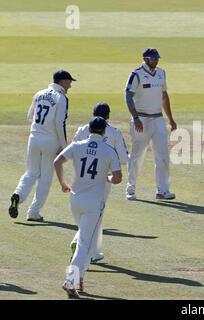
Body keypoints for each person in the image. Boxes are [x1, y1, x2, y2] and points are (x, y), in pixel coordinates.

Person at [54, 116, 122, 298]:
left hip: (75, 201)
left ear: (90, 130)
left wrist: (63, 183)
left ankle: (80, 277)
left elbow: (57, 162)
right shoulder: (109, 151)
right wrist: (105, 178)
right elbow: (118, 178)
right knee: (85, 244)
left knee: (87, 241)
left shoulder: (77, 145)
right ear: (104, 132)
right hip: (94, 203)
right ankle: (70, 280)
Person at [9, 70, 76, 222]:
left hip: (34, 137)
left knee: (30, 173)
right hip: (50, 141)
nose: (70, 85)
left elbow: (30, 117)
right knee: (45, 177)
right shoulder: (62, 98)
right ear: (62, 82)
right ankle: (33, 212)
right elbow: (60, 123)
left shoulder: (38, 94)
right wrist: (64, 146)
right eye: (69, 82)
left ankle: (18, 195)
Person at [70, 102, 129, 264]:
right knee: (95, 214)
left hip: (80, 176)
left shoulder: (83, 129)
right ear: (108, 116)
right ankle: (88, 250)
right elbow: (123, 159)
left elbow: (72, 151)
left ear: (93, 114)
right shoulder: (115, 132)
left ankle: (88, 248)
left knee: (86, 213)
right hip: (103, 179)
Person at [124, 47, 177, 201]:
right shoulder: (137, 74)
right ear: (145, 58)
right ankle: (131, 189)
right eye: (152, 58)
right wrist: (135, 118)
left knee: (163, 156)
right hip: (141, 118)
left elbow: (164, 96)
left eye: (156, 58)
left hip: (158, 119)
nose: (155, 60)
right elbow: (128, 96)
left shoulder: (161, 73)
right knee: (137, 156)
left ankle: (163, 190)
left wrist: (170, 119)